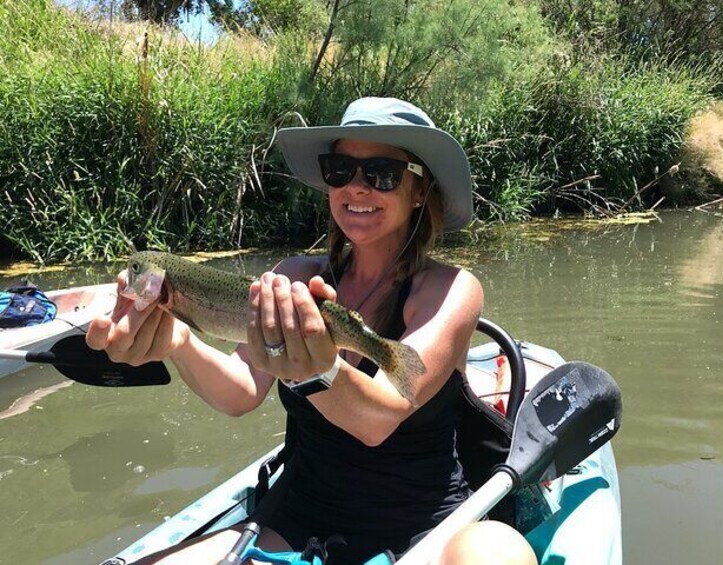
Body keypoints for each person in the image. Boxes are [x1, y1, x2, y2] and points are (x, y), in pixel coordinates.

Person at [86, 97, 537, 565]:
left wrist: (315, 372)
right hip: (299, 514)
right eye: (340, 169)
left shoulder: (452, 289)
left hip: (420, 520)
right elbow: (241, 391)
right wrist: (179, 341)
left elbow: (379, 419)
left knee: (498, 552)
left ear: (420, 191)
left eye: (381, 173)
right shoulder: (294, 277)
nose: (356, 189)